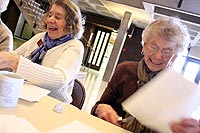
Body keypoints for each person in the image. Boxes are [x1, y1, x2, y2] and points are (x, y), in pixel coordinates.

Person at [91, 17, 200, 132]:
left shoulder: (178, 87)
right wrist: (100, 108)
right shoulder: (124, 70)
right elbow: (98, 107)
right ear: (144, 45)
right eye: (154, 46)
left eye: (167, 51)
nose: (158, 56)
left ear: (176, 56)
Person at [0, 0, 84, 104]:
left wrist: (17, 63)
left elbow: (59, 79)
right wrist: (7, 59)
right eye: (50, 15)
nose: (50, 20)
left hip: (51, 105)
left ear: (70, 24)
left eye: (57, 17)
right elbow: (12, 56)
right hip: (25, 96)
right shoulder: (40, 37)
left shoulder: (74, 46)